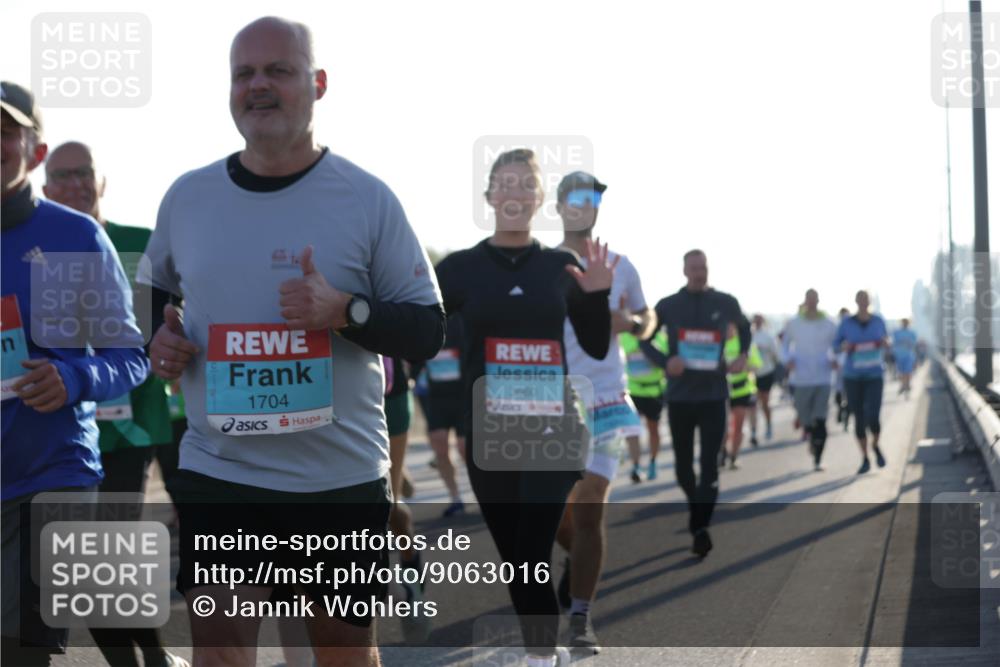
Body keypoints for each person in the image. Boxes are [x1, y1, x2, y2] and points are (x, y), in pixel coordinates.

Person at [138, 18, 444, 667]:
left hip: (338, 479)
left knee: (339, 652)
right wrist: (158, 343)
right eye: (244, 73)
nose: (259, 86)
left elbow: (428, 326)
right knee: (219, 650)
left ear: (318, 83)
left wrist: (346, 310)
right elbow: (154, 292)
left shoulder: (366, 198)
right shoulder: (188, 197)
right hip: (223, 473)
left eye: (278, 70)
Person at [435, 149, 614, 667]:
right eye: (503, 184)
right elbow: (421, 330)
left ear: (538, 200)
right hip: (488, 434)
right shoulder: (459, 269)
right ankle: (546, 652)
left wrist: (598, 296)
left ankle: (539, 659)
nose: (513, 194)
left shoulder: (561, 266)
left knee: (532, 550)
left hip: (553, 429)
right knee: (517, 561)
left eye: (525, 186)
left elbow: (597, 345)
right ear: (489, 195)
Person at [1, 82, 149, 666]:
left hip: (52, 474)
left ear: (35, 152)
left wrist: (73, 378)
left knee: (21, 656)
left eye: (4, 132)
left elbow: (129, 356)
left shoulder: (75, 236)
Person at [42, 140, 188, 667]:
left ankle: (152, 659)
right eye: (62, 175)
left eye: (85, 172)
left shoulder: (138, 245)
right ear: (44, 185)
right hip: (61, 429)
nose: (76, 183)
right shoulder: (36, 247)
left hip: (134, 423)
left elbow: (174, 326)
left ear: (101, 181)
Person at [551, 171, 653, 655]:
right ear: (558, 205)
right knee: (553, 516)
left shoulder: (621, 264)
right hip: (552, 404)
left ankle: (580, 620)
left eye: (592, 199)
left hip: (608, 398)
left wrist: (631, 321)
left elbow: (647, 316)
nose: (584, 206)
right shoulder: (543, 266)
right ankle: (578, 565)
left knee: (590, 503)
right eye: (576, 198)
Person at [644, 250, 750, 558]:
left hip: (714, 395)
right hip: (679, 397)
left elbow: (744, 328)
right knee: (682, 467)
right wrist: (666, 362)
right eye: (694, 267)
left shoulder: (725, 302)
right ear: (684, 271)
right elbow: (642, 338)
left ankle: (700, 527)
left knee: (709, 468)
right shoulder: (668, 305)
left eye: (703, 267)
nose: (699, 272)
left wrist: (742, 354)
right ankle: (697, 511)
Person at [781, 290, 838, 470]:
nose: (812, 303)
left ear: (818, 301)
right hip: (801, 378)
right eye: (809, 299)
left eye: (815, 299)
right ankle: (810, 433)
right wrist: (787, 360)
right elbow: (783, 345)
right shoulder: (793, 323)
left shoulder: (829, 323)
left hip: (823, 377)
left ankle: (818, 459)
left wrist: (836, 360)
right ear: (805, 301)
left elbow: (837, 347)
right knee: (805, 417)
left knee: (820, 419)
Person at [834, 291, 889, 474]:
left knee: (873, 416)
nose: (863, 303)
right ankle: (865, 458)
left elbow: (887, 340)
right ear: (856, 301)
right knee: (858, 417)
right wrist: (844, 347)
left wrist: (884, 343)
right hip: (853, 376)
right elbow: (836, 345)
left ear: (869, 302)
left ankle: (876, 445)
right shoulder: (847, 323)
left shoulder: (878, 320)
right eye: (860, 300)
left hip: (874, 375)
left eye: (866, 300)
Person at [420, 315, 467, 517]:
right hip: (436, 395)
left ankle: (485, 493)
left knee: (465, 447)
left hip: (463, 393)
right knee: (439, 445)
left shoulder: (460, 318)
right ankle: (455, 497)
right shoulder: (425, 316)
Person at [622, 330, 668, 482]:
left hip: (654, 391)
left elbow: (666, 362)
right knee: (632, 431)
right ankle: (635, 466)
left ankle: (653, 462)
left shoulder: (660, 339)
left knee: (653, 428)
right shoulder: (623, 338)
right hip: (632, 391)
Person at [719, 324, 762, 470]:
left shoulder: (745, 344)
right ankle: (722, 451)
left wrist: (741, 367)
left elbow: (757, 366)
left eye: (731, 325)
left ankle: (734, 456)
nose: (728, 328)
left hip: (742, 390)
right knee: (722, 428)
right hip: (721, 392)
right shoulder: (718, 342)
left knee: (738, 426)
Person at [749, 314, 780, 445]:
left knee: (765, 402)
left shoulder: (768, 336)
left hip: (766, 372)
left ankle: (768, 425)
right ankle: (754, 432)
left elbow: (775, 355)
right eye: (755, 321)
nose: (757, 323)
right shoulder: (748, 335)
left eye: (759, 321)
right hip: (751, 375)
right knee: (752, 405)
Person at [892, 318, 918, 398]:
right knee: (901, 372)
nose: (905, 324)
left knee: (908, 371)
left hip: (909, 355)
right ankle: (903, 385)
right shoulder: (896, 332)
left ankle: (907, 384)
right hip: (899, 355)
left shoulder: (912, 333)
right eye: (904, 322)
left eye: (906, 323)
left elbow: (914, 344)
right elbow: (894, 343)